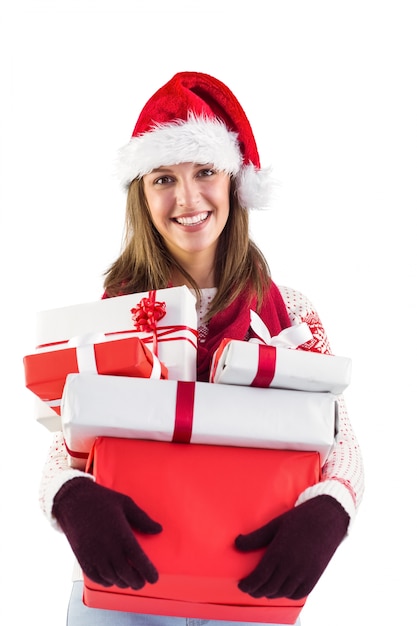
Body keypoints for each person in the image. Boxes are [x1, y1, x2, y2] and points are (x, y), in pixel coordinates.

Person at [39, 71, 364, 626]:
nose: (187, 199)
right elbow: (64, 440)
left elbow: (339, 437)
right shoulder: (114, 311)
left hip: (250, 586)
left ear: (236, 182)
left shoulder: (289, 311)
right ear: (142, 195)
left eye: (206, 172)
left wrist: (329, 511)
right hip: (125, 587)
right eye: (163, 177)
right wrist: (70, 497)